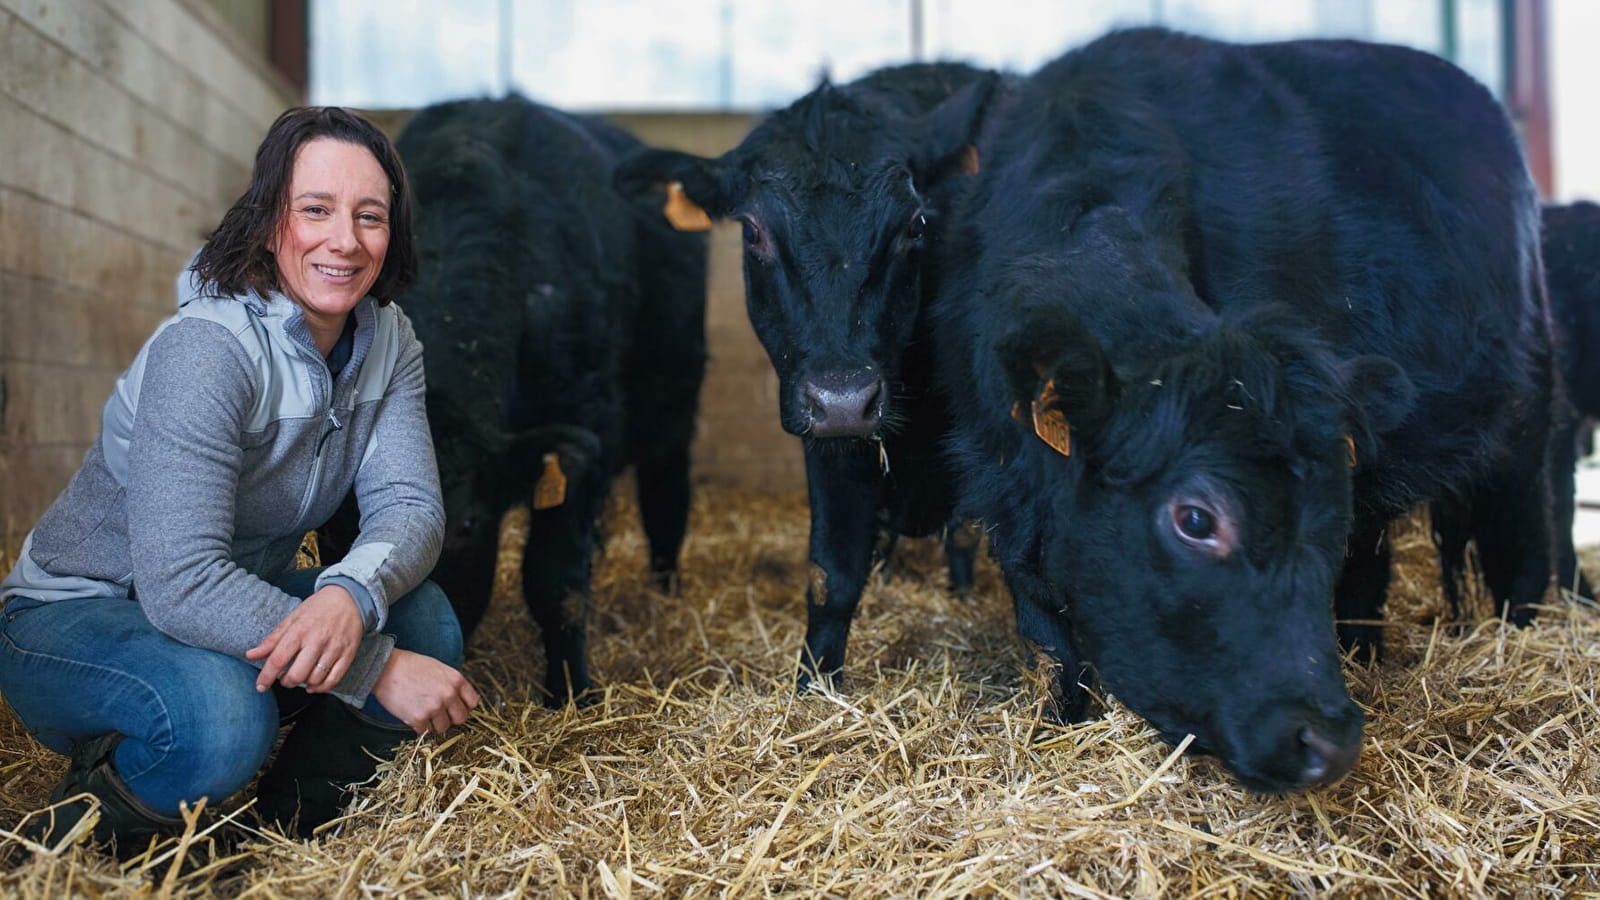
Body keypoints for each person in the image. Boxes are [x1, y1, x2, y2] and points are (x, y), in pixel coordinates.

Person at [0, 106, 479, 849]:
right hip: (76, 618)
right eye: (315, 210)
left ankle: (286, 839)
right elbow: (181, 581)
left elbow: (410, 506)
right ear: (266, 221)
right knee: (221, 716)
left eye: (371, 217)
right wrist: (371, 667)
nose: (345, 242)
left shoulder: (388, 340)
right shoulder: (208, 349)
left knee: (428, 620)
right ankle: (69, 839)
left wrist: (350, 595)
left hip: (212, 610)